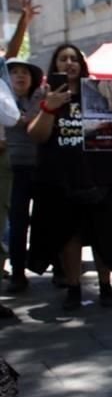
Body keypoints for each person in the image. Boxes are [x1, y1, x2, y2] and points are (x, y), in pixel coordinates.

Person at [27, 43, 112, 309]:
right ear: (55, 66)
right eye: (63, 59)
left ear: (82, 65)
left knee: (103, 233)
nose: (69, 63)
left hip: (100, 174)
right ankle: (73, 288)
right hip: (61, 177)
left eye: (73, 59)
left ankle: (106, 286)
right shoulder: (44, 93)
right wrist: (49, 107)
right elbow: (36, 135)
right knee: (69, 235)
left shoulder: (100, 94)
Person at [4, 56, 43, 296]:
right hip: (13, 169)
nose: (19, 76)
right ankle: (18, 271)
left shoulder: (41, 97)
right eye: (14, 72)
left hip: (40, 167)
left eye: (24, 72)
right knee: (17, 223)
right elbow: (25, 121)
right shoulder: (3, 102)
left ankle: (53, 266)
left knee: (45, 219)